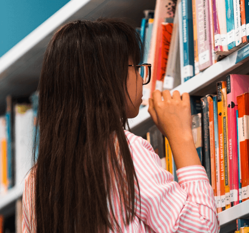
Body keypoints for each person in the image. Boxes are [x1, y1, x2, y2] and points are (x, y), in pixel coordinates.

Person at [22, 18, 219, 233]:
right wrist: (181, 136)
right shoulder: (125, 152)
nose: (140, 77)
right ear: (107, 79)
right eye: (135, 67)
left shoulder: (35, 182)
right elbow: (203, 228)